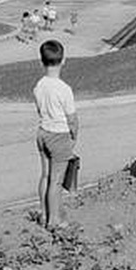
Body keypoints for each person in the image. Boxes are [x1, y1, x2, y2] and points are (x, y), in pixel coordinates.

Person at [33, 39, 78, 229]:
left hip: (42, 133)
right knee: (56, 181)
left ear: (41, 60)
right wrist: (74, 136)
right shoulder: (64, 89)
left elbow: (39, 110)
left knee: (45, 175)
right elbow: (72, 119)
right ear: (63, 60)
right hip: (59, 136)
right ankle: (54, 221)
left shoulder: (39, 86)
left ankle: (44, 214)